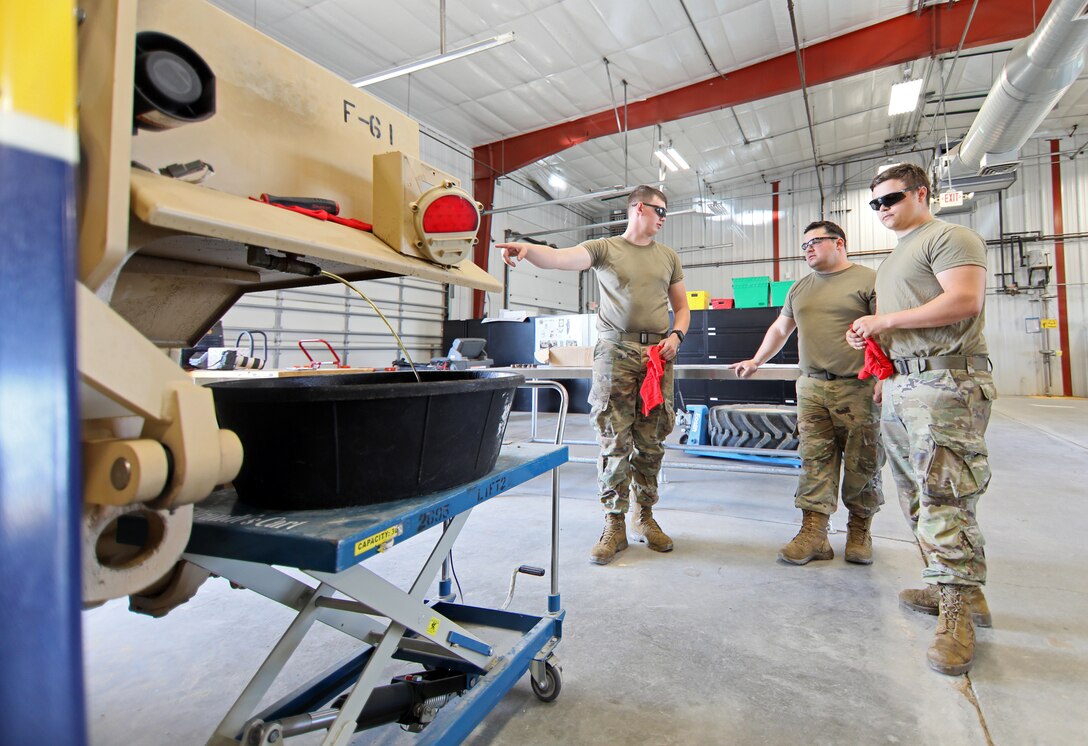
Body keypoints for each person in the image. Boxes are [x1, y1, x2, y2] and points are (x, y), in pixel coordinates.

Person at [847, 163, 995, 677]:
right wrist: (877, 341)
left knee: (944, 493)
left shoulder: (950, 236)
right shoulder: (894, 258)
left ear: (921, 193)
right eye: (875, 203)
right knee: (915, 494)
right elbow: (907, 321)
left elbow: (963, 300)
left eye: (890, 198)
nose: (883, 209)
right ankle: (954, 589)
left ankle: (958, 616)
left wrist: (883, 319)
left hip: (946, 382)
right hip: (905, 383)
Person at [497, 185, 690, 565]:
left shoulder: (668, 257)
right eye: (660, 211)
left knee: (651, 442)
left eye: (666, 213)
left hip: (656, 355)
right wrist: (528, 250)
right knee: (614, 440)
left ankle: (645, 517)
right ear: (638, 208)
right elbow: (561, 258)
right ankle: (614, 523)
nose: (664, 219)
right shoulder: (605, 248)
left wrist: (677, 336)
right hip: (615, 352)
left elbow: (682, 308)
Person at [731, 221, 884, 566]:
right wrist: (756, 360)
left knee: (863, 460)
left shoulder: (869, 280)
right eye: (804, 246)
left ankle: (860, 530)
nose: (808, 250)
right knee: (814, 460)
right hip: (812, 385)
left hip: (858, 385)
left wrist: (885, 377)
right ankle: (814, 532)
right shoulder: (799, 288)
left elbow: (887, 331)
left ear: (839, 243)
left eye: (815, 242)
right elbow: (781, 328)